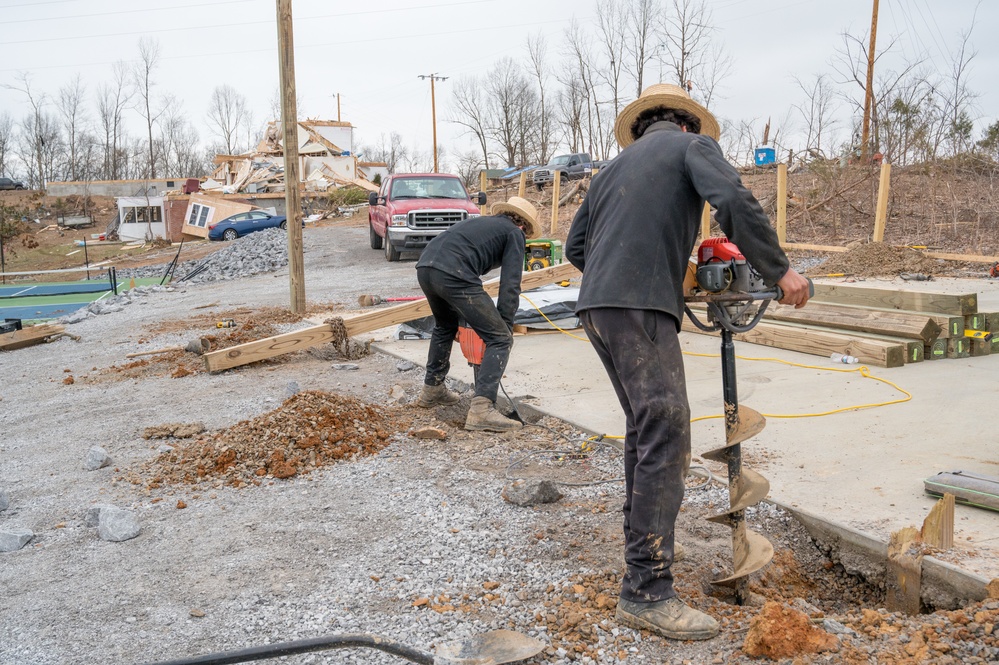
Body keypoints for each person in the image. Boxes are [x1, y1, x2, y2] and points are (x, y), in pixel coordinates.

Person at [564, 84, 810, 641]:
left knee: (645, 432)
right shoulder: (691, 148)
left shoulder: (608, 171)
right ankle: (647, 592)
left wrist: (643, 270)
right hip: (639, 307)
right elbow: (735, 203)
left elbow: (577, 249)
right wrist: (781, 271)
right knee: (668, 435)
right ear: (685, 125)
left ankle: (640, 566)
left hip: (596, 309)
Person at [415, 196, 542, 432]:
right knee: (501, 339)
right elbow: (510, 284)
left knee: (444, 327)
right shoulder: (515, 233)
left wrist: (469, 319)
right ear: (524, 226)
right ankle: (482, 410)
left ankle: (432, 389)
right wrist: (503, 324)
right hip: (454, 272)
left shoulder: (484, 224)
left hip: (426, 267)